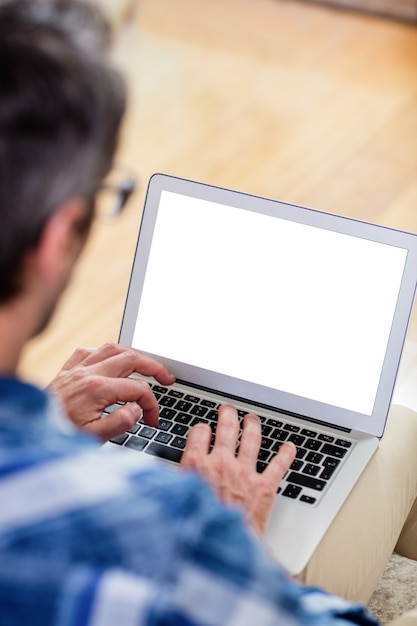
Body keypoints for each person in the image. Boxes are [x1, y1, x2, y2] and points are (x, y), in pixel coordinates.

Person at [0, 1, 415, 624]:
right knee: (399, 430)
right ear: (60, 237)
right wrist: (236, 544)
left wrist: (41, 428)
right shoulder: (174, 538)